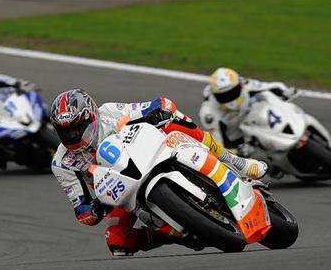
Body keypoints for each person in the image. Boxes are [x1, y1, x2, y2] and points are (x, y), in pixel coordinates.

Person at [50, 89, 268, 256]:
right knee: (117, 242)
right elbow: (82, 210)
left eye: (77, 127)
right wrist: (94, 210)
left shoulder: (109, 112)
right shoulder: (62, 163)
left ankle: (233, 161)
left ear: (91, 116)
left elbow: (160, 104)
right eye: (65, 131)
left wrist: (158, 112)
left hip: (152, 153)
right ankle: (175, 233)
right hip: (120, 194)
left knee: (176, 123)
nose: (73, 135)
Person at [199, 67, 296, 151]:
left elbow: (269, 86)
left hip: (255, 124)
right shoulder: (208, 113)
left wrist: (284, 92)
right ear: (215, 95)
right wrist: (235, 152)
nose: (230, 97)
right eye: (225, 96)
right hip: (235, 141)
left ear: (239, 85)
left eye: (233, 92)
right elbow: (217, 144)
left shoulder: (243, 82)